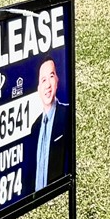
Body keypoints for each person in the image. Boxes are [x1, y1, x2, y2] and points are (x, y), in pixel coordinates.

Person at [27, 57, 69, 192]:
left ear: (57, 80)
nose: (48, 85)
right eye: (43, 80)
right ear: (38, 88)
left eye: (51, 76)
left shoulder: (66, 114)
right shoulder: (35, 128)